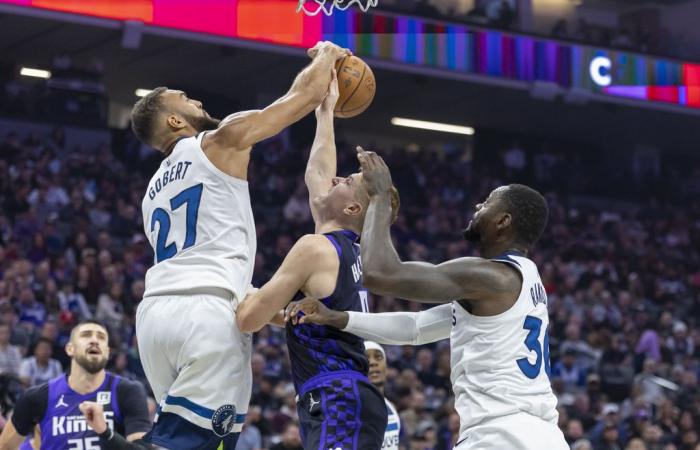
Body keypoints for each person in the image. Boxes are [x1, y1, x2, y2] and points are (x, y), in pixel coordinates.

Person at [130, 40, 350, 449]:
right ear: (176, 121)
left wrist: (273, 310)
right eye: (185, 99)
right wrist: (326, 56)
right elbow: (299, 98)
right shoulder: (218, 141)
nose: (196, 100)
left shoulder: (151, 193)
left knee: (191, 440)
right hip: (205, 318)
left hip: (154, 320)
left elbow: (202, 262)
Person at [287, 148, 568, 449]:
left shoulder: (491, 276)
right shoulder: (522, 281)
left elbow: (381, 273)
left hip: (502, 435)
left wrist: (380, 196)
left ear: (503, 221)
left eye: (487, 203)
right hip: (541, 435)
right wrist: (338, 318)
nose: (478, 205)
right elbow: (417, 327)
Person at [236, 72, 399, 449]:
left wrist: (233, 288)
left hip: (339, 396)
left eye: (346, 181)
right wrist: (325, 111)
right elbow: (318, 173)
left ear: (354, 207)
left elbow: (249, 318)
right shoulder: (342, 247)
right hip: (340, 396)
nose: (336, 178)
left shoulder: (315, 248)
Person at [0, 320, 151, 450]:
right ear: (70, 348)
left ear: (107, 351)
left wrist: (105, 431)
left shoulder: (127, 391)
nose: (94, 340)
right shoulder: (37, 397)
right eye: (86, 335)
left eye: (101, 337)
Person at [365, 341, 401, 450]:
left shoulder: (391, 407)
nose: (373, 363)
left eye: (378, 357)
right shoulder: (352, 408)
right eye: (366, 359)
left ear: (386, 367)